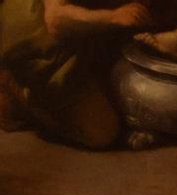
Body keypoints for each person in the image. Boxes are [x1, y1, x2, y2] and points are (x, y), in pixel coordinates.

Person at [0, 0, 157, 149]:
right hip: (37, 41)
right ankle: (17, 90)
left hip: (83, 36)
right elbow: (56, 21)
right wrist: (114, 16)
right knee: (102, 133)